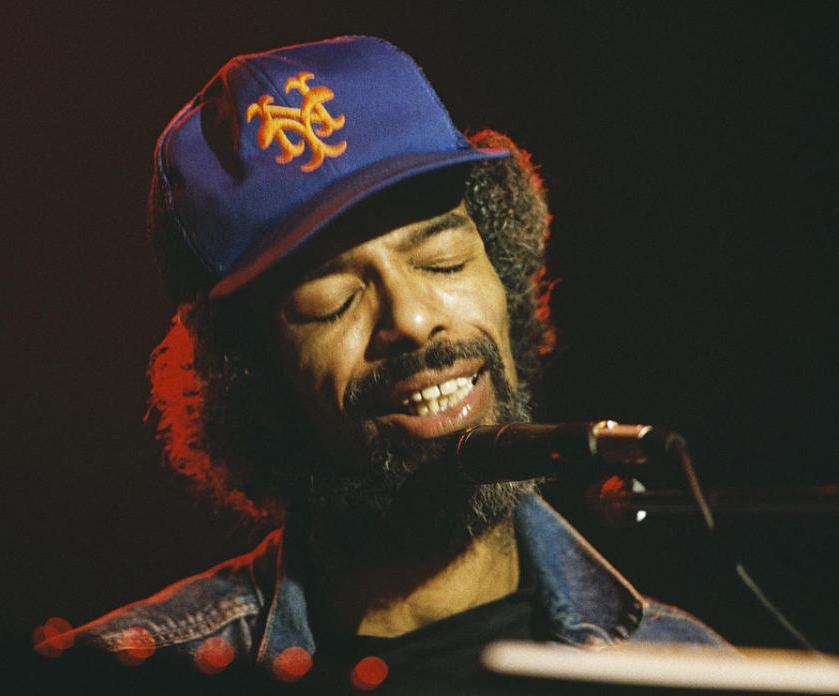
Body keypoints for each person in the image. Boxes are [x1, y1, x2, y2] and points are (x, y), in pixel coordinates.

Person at [45, 36, 728, 691]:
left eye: (444, 260)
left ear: (506, 273)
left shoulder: (701, 674)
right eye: (333, 298)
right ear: (246, 376)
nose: (412, 317)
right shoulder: (114, 679)